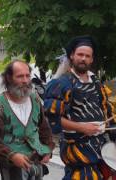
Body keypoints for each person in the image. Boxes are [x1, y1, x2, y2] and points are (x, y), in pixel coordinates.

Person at [44, 36, 116, 180]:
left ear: (92, 59)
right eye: (80, 54)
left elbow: (107, 112)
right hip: (76, 149)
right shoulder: (62, 83)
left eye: (87, 56)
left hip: (100, 148)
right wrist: (82, 128)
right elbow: (52, 118)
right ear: (72, 55)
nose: (83, 58)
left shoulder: (96, 83)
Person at [0, 60, 54, 180]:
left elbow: (44, 128)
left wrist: (48, 149)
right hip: (12, 168)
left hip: (37, 162)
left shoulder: (35, 100)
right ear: (9, 78)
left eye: (27, 75)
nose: (25, 81)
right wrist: (11, 156)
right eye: (20, 76)